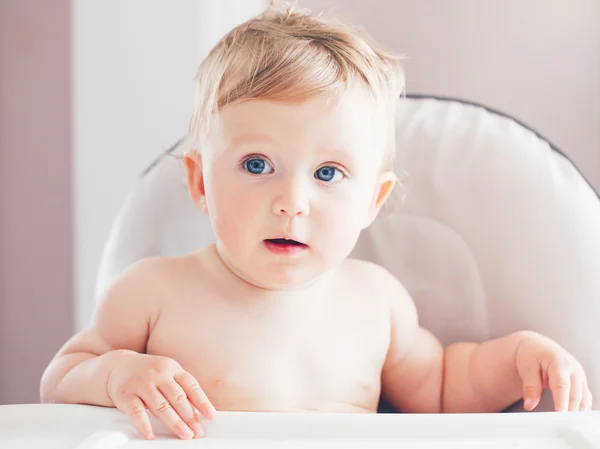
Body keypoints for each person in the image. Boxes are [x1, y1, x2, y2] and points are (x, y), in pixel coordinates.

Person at [40, 0, 592, 441]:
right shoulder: (152, 292)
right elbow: (60, 380)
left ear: (373, 200)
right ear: (201, 182)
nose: (292, 201)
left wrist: (519, 357)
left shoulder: (377, 302)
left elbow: (443, 386)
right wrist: (114, 375)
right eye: (257, 165)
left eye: (328, 173)